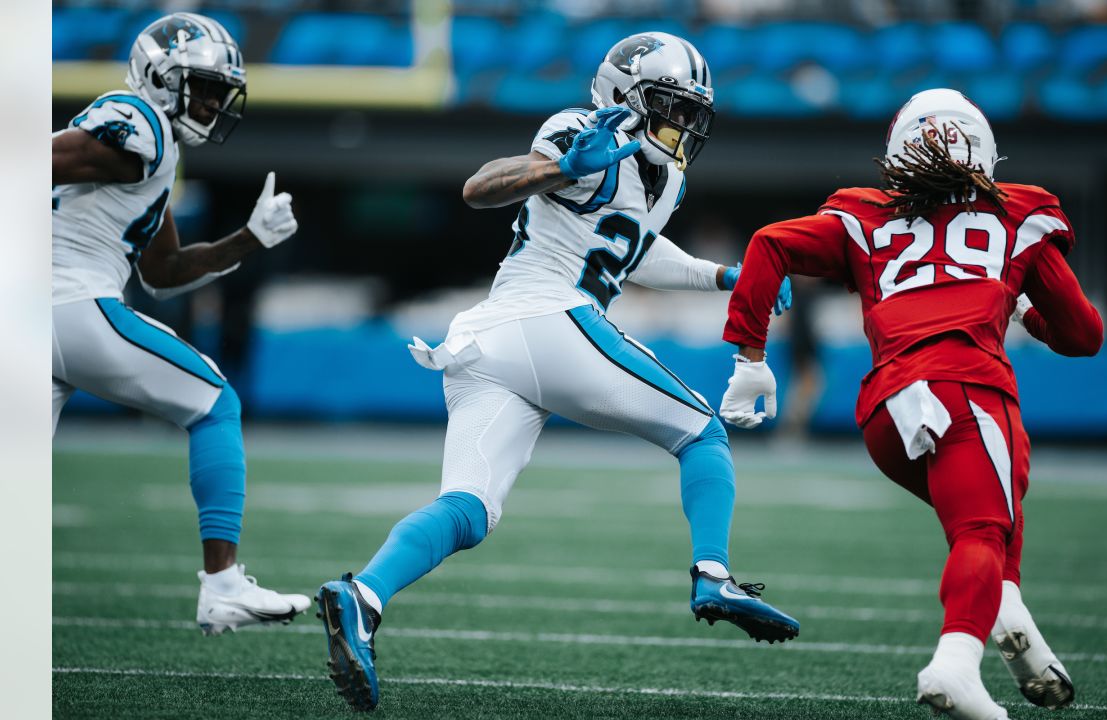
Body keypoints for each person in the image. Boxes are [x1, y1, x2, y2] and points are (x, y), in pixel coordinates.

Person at [314, 32, 797, 712]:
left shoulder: (663, 178)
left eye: (691, 112)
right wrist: (556, 168)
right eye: (670, 106)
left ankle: (362, 596)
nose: (683, 123)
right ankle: (713, 575)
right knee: (702, 432)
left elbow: (633, 251)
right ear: (624, 96)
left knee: (470, 510)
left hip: (493, 344)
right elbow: (480, 187)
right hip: (549, 318)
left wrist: (725, 275)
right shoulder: (584, 132)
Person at [720, 89, 1102, 719]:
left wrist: (749, 357)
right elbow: (1084, 337)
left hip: (887, 413)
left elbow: (769, 243)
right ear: (982, 151)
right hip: (966, 387)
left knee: (991, 509)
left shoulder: (864, 215)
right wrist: (1027, 305)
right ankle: (955, 664)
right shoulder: (1018, 215)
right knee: (984, 526)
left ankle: (1009, 610)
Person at [51, 13, 309, 635]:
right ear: (161, 79)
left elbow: (163, 270)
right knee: (213, 400)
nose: (215, 103)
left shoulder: (152, 154)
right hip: (69, 304)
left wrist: (250, 239)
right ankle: (221, 586)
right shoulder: (139, 122)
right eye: (206, 87)